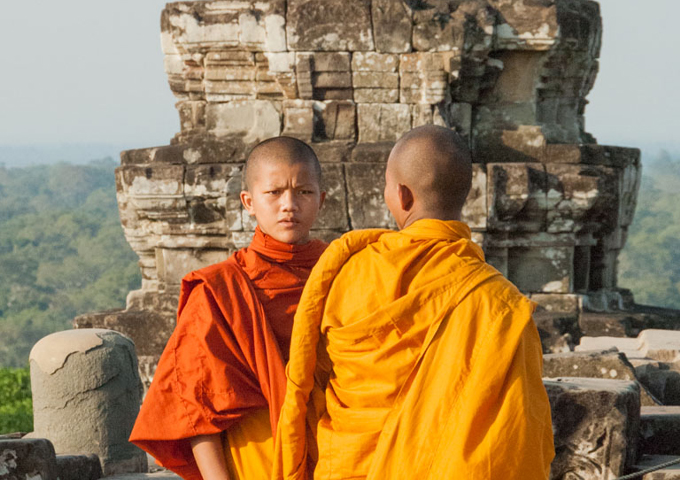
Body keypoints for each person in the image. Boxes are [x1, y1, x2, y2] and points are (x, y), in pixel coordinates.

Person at [273, 125, 555, 480]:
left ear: (402, 196)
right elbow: (517, 440)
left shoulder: (349, 271)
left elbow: (310, 388)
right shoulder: (499, 305)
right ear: (464, 196)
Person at [130, 136, 327, 480]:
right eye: (274, 192)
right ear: (249, 202)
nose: (289, 204)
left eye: (304, 192)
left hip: (339, 461)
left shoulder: (344, 273)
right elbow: (196, 407)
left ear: (321, 200)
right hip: (255, 466)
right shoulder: (220, 291)